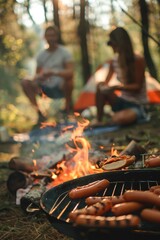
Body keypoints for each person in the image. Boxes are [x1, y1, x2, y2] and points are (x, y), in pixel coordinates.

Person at [95, 26, 148, 126]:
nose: (112, 47)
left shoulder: (138, 60)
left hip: (136, 105)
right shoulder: (114, 61)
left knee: (119, 119)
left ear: (120, 43)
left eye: (112, 44)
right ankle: (99, 119)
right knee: (99, 87)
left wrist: (117, 87)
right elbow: (106, 82)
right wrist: (103, 86)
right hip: (122, 101)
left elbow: (137, 87)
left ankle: (122, 117)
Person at [21, 25, 74, 125]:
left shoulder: (65, 52)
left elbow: (70, 72)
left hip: (60, 87)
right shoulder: (41, 56)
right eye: (48, 36)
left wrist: (54, 72)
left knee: (69, 79)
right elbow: (36, 75)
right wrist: (39, 77)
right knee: (25, 82)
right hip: (45, 88)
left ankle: (67, 111)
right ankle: (40, 114)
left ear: (57, 37)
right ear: (45, 37)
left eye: (53, 36)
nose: (51, 38)